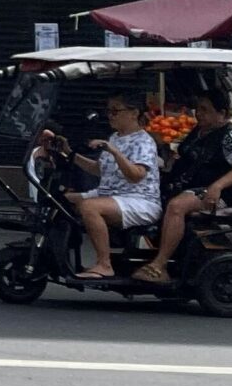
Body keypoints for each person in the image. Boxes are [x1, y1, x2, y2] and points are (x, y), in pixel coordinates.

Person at [135, 88, 232, 284]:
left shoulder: (229, 136)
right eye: (197, 109)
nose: (198, 114)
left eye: (205, 110)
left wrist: (217, 186)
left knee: (177, 207)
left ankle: (159, 265)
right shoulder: (200, 132)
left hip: (217, 196)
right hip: (186, 186)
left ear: (222, 114)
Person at [63, 93, 161, 280]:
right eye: (109, 111)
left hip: (138, 200)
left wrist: (114, 152)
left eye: (115, 111)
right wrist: (68, 153)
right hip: (110, 195)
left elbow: (136, 175)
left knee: (89, 207)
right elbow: (99, 170)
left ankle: (104, 264)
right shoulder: (115, 137)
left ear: (134, 113)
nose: (110, 116)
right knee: (62, 200)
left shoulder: (143, 142)